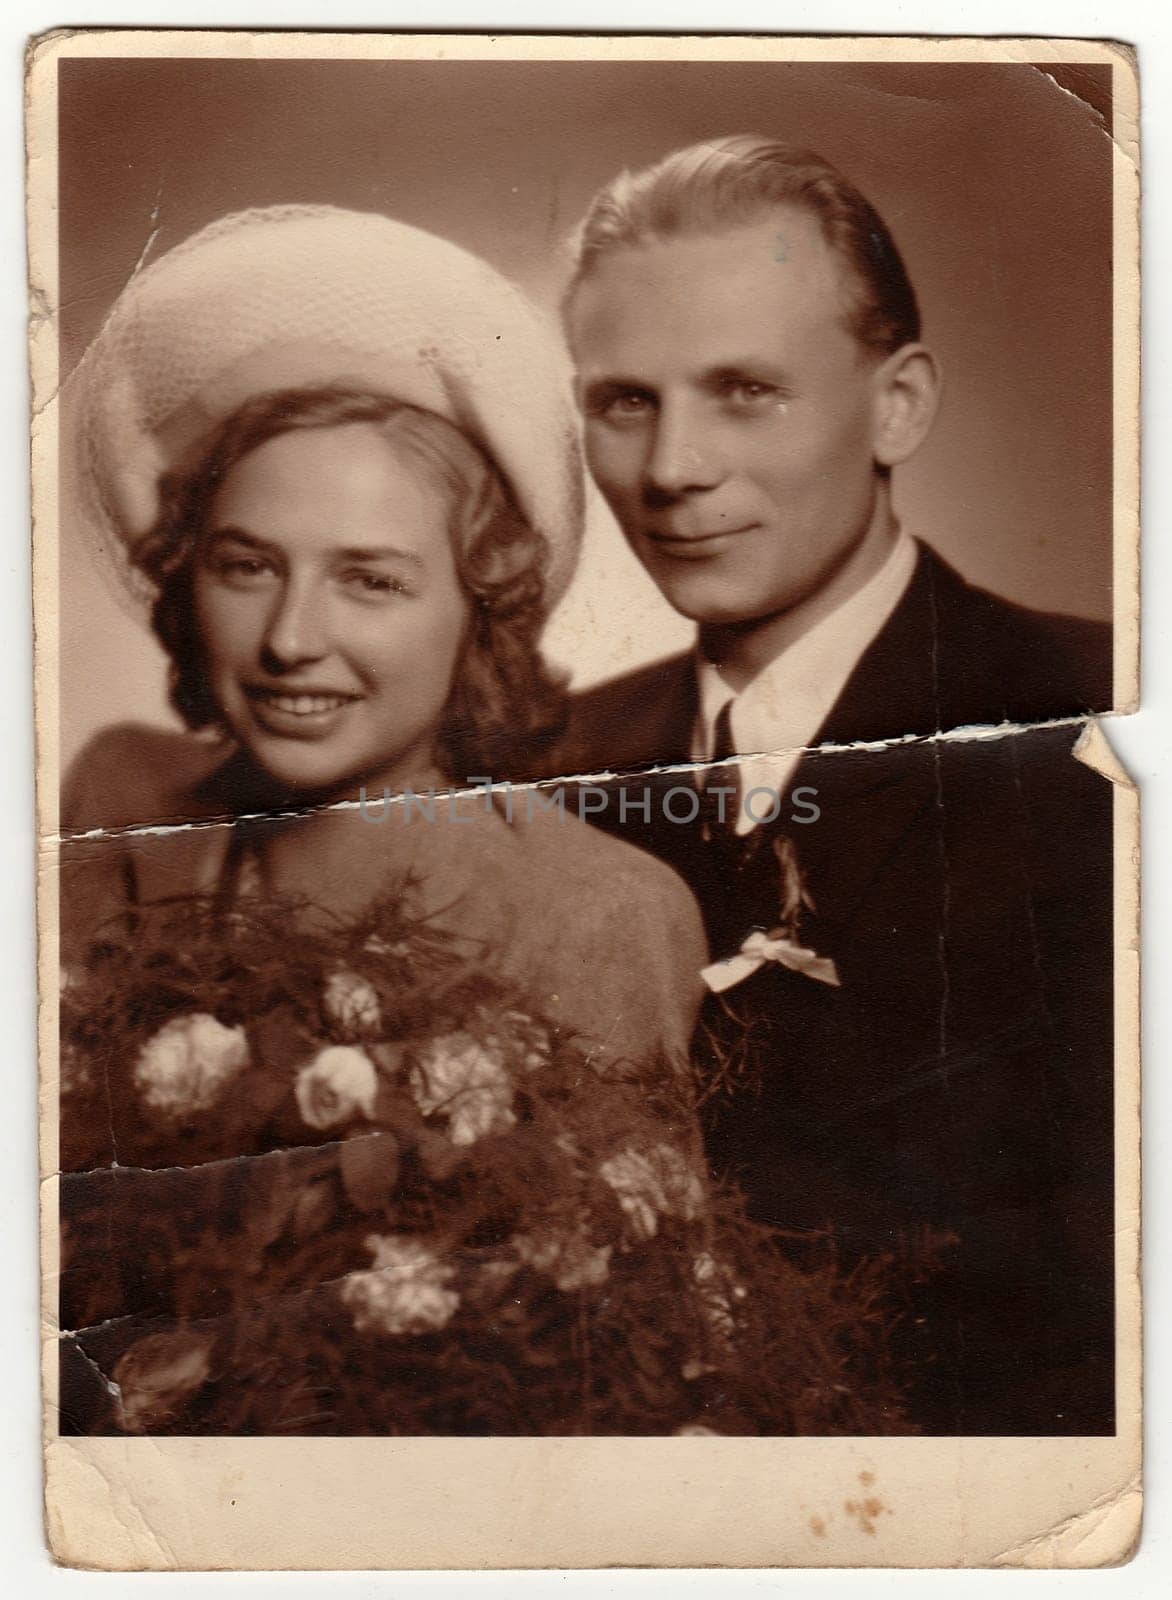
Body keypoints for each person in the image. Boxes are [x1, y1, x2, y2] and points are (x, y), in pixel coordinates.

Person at [557, 137, 1115, 1434]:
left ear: (899, 404)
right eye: (623, 400)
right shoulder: (548, 771)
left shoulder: (1102, 736)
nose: (672, 468)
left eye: (745, 389)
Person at [60, 206, 707, 1066]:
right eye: (247, 566)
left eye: (370, 582)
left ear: (484, 604)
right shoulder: (120, 810)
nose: (290, 640)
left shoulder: (595, 912)